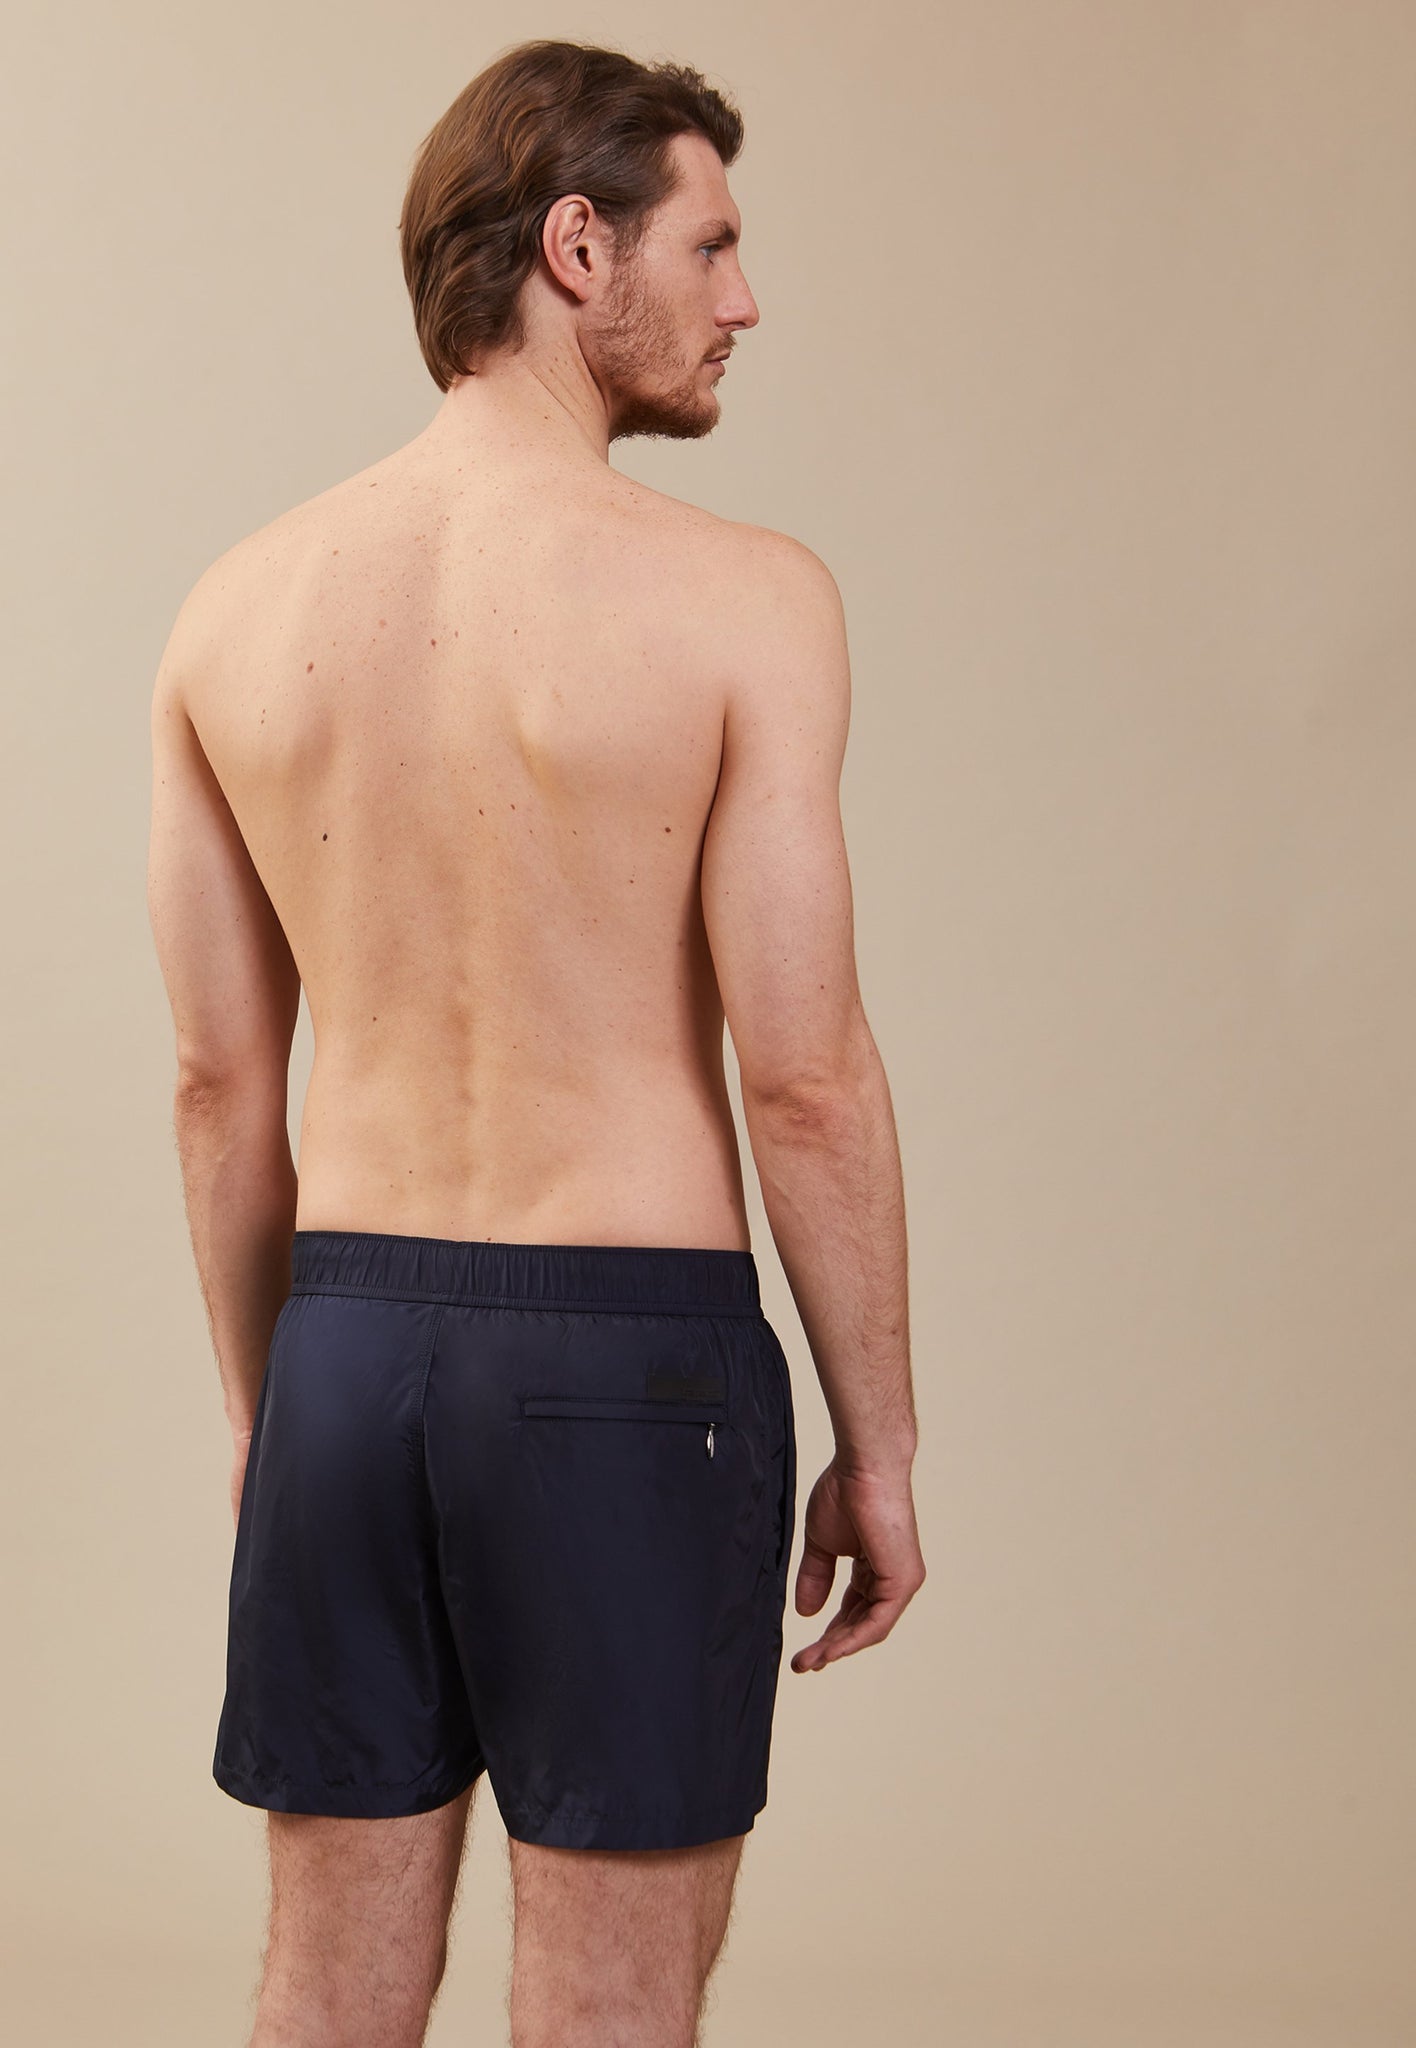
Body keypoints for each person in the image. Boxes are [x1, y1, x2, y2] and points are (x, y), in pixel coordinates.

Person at [147, 35, 924, 2048]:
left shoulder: (233, 610)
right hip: (627, 1365)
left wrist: (263, 1409)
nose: (746, 299)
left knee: (325, 1997)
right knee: (608, 2012)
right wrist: (882, 1447)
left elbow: (222, 1085)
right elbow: (805, 1075)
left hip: (340, 1351)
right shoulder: (751, 602)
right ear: (580, 247)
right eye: (711, 244)